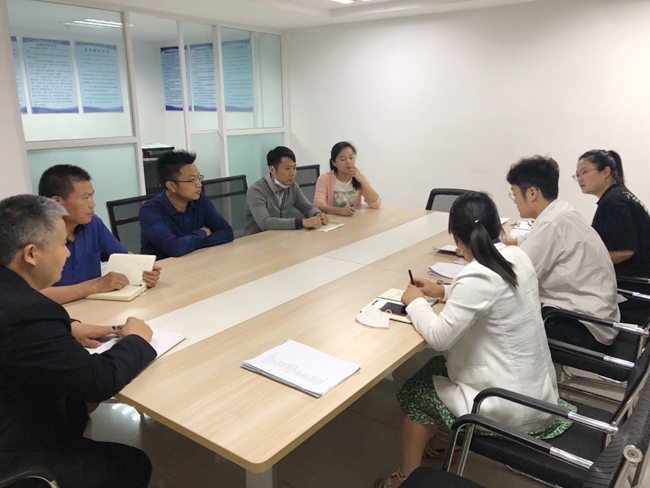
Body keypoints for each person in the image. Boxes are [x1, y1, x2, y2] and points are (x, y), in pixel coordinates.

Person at [375, 192, 570, 488]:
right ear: (497, 226)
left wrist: (415, 302)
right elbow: (492, 295)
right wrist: (443, 291)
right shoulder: (516, 256)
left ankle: (405, 479)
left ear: (456, 238)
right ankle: (445, 444)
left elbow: (439, 338)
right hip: (537, 393)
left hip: (508, 405)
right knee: (438, 369)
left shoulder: (477, 275)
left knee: (417, 391)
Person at [0, 194, 156, 488]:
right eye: (61, 245)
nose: (67, 254)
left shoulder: (15, 300)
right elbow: (98, 381)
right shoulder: (29, 312)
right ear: (31, 254)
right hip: (16, 454)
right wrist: (136, 339)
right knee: (132, 464)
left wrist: (68, 327)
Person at [506, 155, 620, 351]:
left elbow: (514, 274)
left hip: (583, 324)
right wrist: (509, 243)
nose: (514, 200)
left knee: (500, 323)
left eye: (514, 193)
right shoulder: (560, 212)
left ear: (532, 193)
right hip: (596, 315)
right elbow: (537, 240)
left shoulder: (553, 222)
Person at [38, 164, 161, 306]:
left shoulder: (92, 223)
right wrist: (94, 286)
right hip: (55, 312)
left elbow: (124, 257)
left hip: (95, 306)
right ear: (57, 202)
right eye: (85, 197)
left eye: (92, 196)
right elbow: (34, 295)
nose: (92, 204)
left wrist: (144, 270)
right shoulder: (35, 236)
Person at [576, 150, 650, 325]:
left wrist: (586, 262)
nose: (580, 179)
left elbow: (624, 251)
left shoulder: (614, 202)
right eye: (577, 175)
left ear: (606, 171)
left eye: (584, 172)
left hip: (632, 287)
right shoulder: (619, 196)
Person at [139, 149, 234, 259]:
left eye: (199, 178)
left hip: (195, 260)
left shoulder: (200, 199)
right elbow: (174, 248)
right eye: (191, 180)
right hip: (163, 267)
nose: (199, 185)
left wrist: (190, 245)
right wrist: (202, 233)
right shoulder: (150, 211)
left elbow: (226, 232)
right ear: (171, 186)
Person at [244, 146, 329, 235]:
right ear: (272, 169)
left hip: (281, 237)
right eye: (287, 168)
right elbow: (265, 223)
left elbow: (307, 207)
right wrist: (302, 222)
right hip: (257, 240)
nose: (292, 173)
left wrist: (318, 214)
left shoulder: (292, 186)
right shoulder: (256, 191)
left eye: (294, 168)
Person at [313, 141, 381, 216]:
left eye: (351, 158)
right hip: (333, 220)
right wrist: (339, 211)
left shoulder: (360, 178)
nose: (348, 162)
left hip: (352, 220)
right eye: (343, 159)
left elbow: (376, 204)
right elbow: (318, 205)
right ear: (334, 163)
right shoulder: (325, 179)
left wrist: (362, 180)